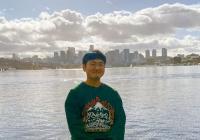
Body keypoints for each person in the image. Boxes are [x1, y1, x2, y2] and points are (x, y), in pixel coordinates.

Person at [65, 50, 126, 140]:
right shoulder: (74, 95)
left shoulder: (113, 94)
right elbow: (75, 128)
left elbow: (120, 122)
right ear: (84, 67)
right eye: (92, 64)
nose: (97, 68)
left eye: (101, 64)